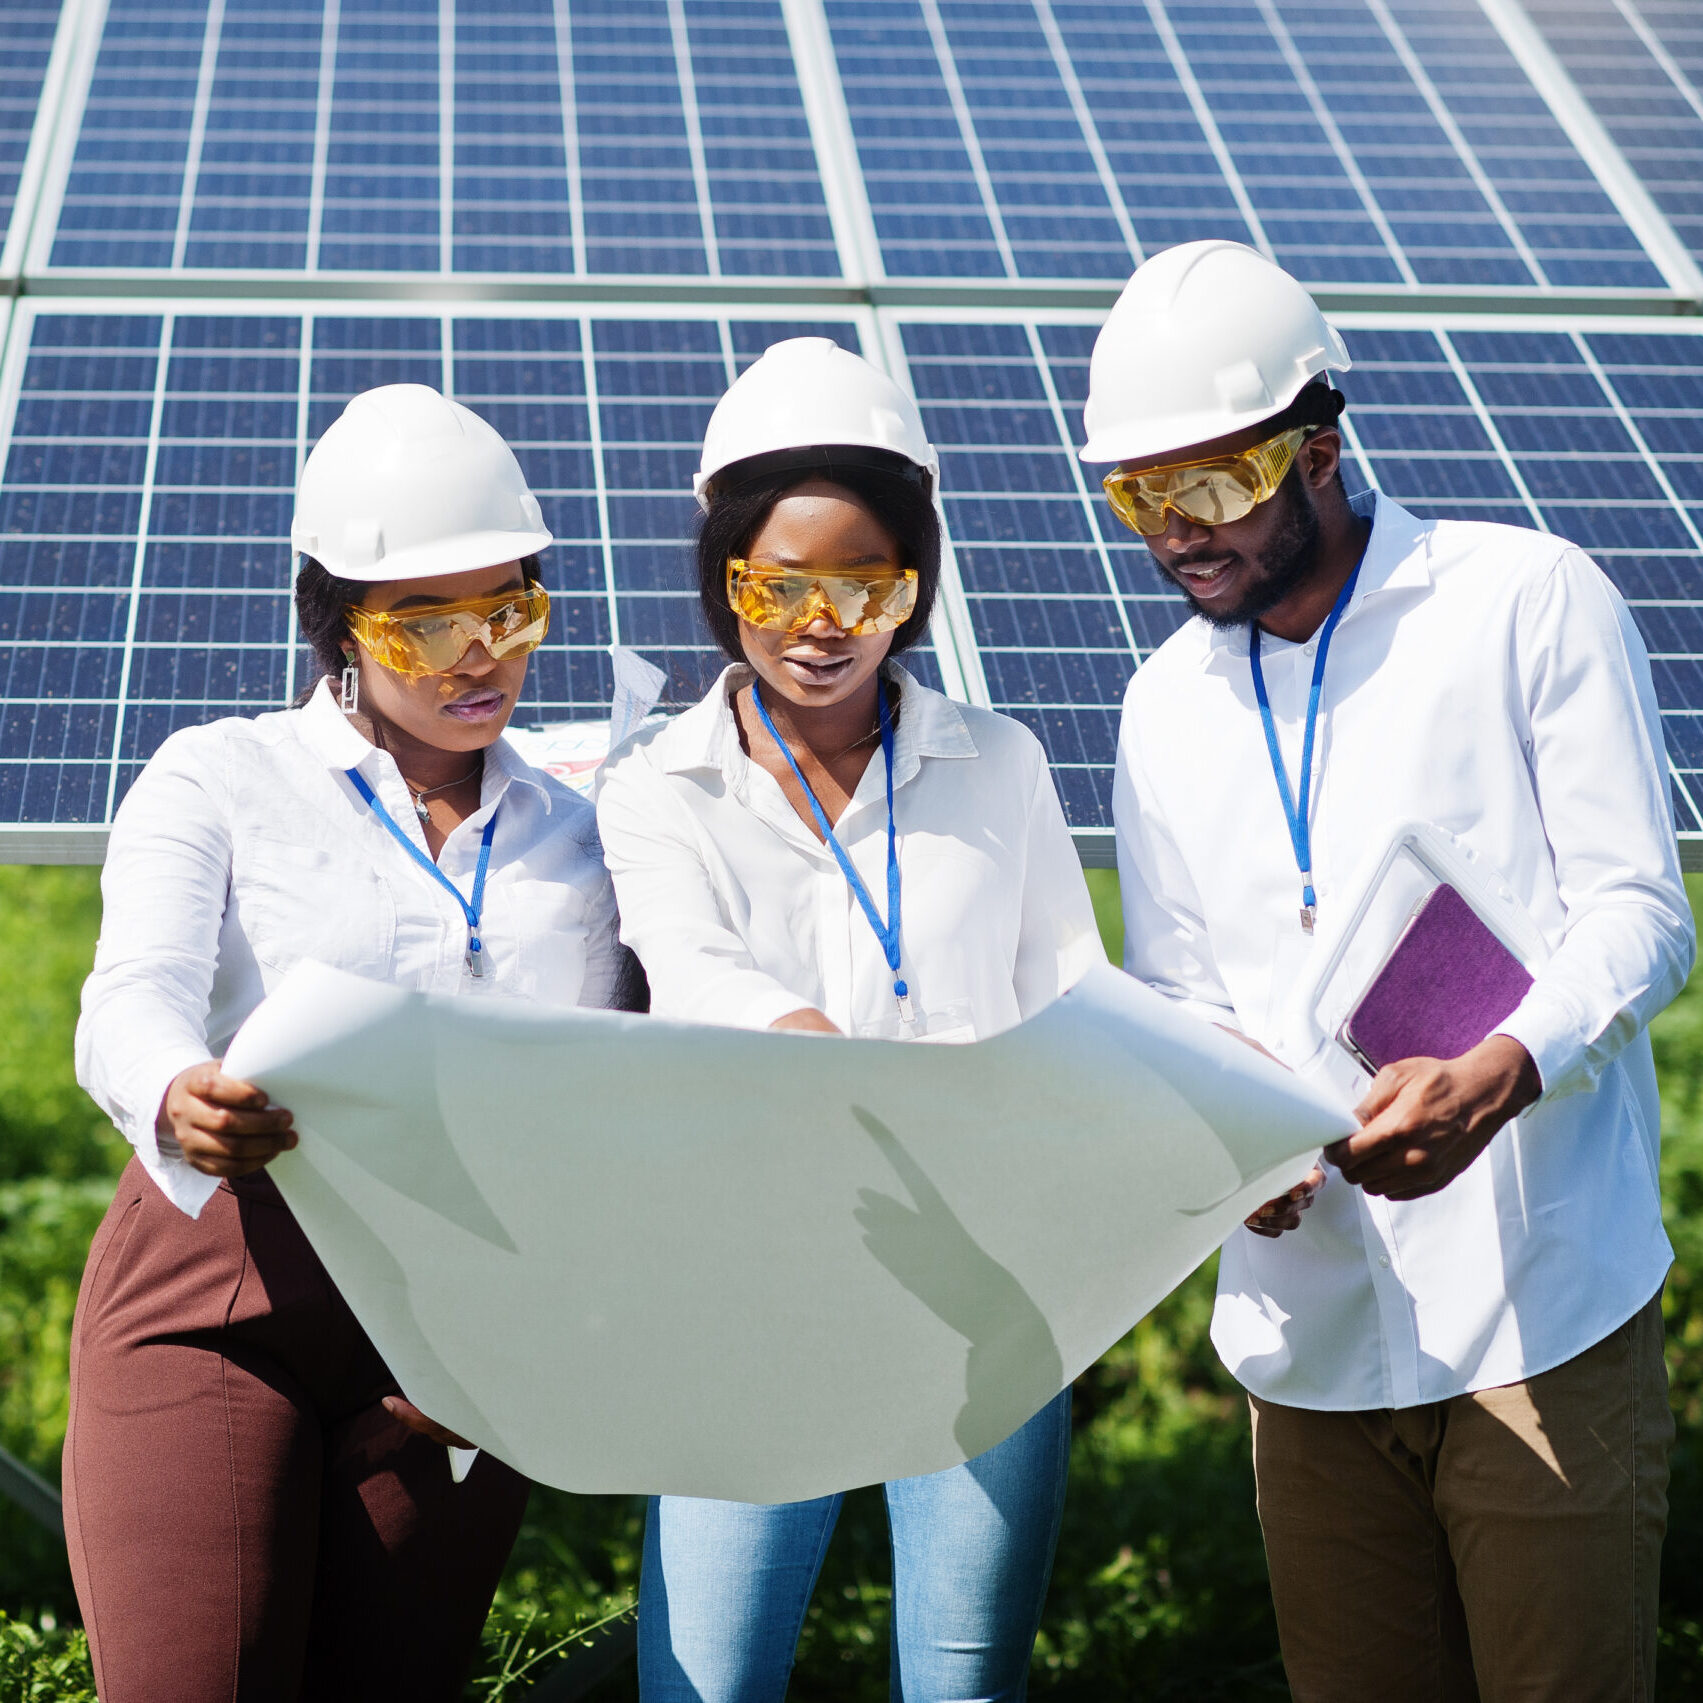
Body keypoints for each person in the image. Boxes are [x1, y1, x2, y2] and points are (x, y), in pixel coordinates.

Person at [1085, 239, 1694, 1702]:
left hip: (1537, 1307)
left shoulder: (1524, 600)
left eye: (1216, 483)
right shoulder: (1162, 703)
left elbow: (1639, 910)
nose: (1180, 532)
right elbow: (1180, 993)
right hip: (1308, 1333)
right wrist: (1229, 1135)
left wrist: (1502, 1069)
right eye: (1140, 496)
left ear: (1320, 448)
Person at [66, 384, 631, 1703]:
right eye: (423, 621)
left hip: (463, 1334)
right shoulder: (219, 776)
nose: (476, 652)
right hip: (226, 1292)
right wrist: (177, 1090)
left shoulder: (588, 822)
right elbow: (127, 996)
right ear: (336, 623)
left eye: (511, 608)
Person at [596, 337, 1104, 1701]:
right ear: (726, 581)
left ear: (913, 587)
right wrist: (813, 1047)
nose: (824, 622)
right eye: (782, 585)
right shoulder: (659, 790)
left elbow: (1071, 999)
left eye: (865, 586)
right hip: (749, 1296)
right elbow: (689, 969)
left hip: (984, 1294)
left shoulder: (998, 765)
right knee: (706, 1684)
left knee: (963, 1688)